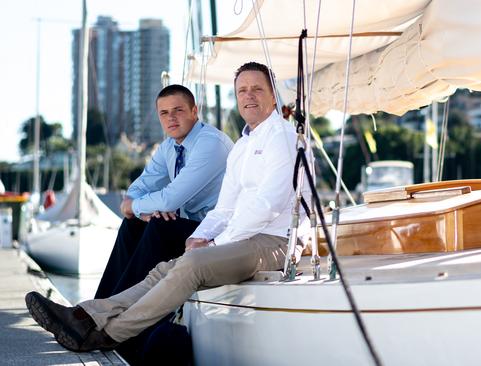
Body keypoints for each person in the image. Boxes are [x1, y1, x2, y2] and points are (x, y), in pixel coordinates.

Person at [25, 61, 309, 353]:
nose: (249, 96)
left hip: (275, 241)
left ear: (274, 96)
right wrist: (198, 237)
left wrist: (214, 243)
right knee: (163, 269)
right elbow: (225, 208)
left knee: (192, 265)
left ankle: (107, 334)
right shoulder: (243, 146)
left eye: (257, 89)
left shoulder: (283, 138)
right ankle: (84, 315)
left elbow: (266, 206)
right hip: (241, 237)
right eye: (242, 90)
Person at [94, 84, 233, 300]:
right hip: (190, 229)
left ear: (194, 111)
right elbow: (139, 187)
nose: (171, 118)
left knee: (161, 224)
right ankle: (97, 307)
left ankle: (114, 310)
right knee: (135, 223)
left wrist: (135, 206)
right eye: (164, 113)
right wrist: (139, 210)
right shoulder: (169, 146)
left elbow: (170, 198)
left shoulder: (210, 143)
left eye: (178, 110)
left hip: (216, 233)